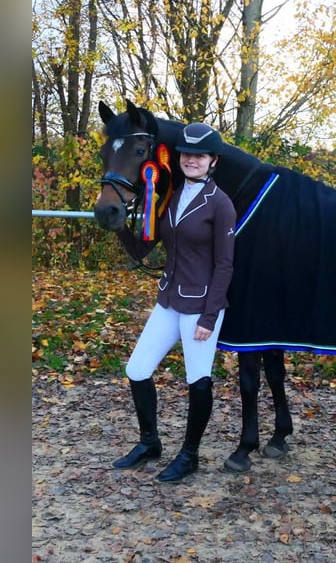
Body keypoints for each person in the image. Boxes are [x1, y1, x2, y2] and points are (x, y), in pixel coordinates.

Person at [112, 122, 236, 483]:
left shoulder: (221, 204)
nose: (191, 160)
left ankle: (189, 454)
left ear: (213, 160)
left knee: (197, 380)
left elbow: (225, 264)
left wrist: (210, 316)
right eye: (186, 154)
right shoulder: (166, 194)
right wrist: (119, 223)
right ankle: (150, 441)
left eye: (200, 155)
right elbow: (141, 249)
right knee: (137, 370)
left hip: (200, 306)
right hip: (168, 300)